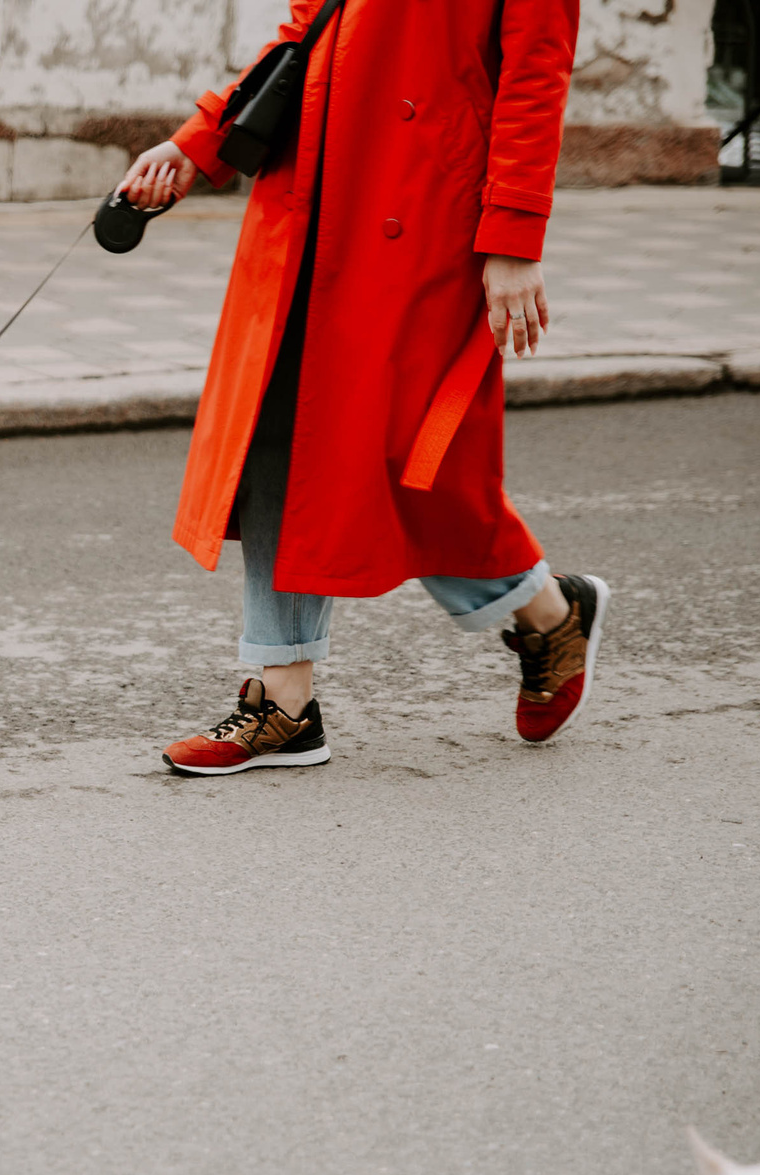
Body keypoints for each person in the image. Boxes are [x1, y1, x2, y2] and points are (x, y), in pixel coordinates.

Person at [120, 0, 609, 776]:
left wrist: (515, 235)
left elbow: (534, 78)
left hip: (421, 214)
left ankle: (548, 610)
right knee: (278, 437)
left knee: (404, 461)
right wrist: (197, 141)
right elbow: (306, 31)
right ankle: (284, 701)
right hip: (307, 203)